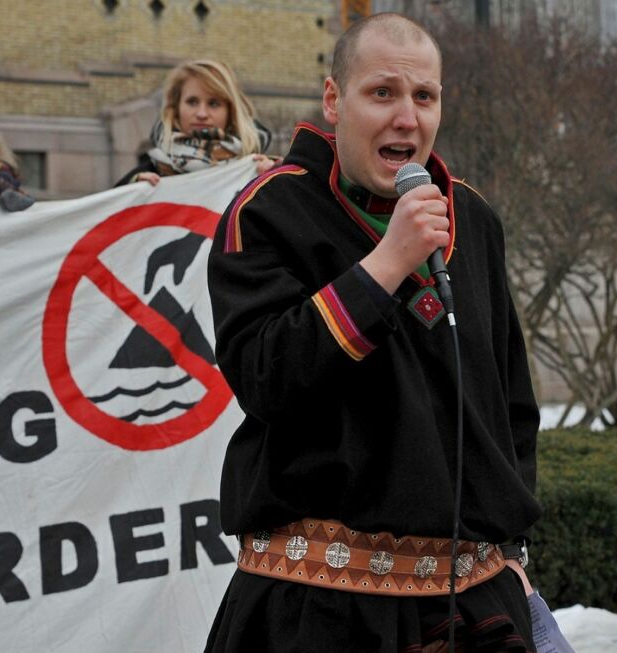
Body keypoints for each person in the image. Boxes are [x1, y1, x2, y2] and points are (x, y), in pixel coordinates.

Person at [205, 13, 541, 653]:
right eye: (382, 92)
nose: (406, 117)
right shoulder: (270, 210)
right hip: (317, 613)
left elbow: (511, 404)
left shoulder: (471, 216)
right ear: (334, 100)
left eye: (424, 96)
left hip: (474, 608)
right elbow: (265, 378)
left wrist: (514, 550)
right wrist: (386, 266)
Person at [114, 59, 276, 187]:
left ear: (230, 112)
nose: (201, 114)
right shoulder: (153, 170)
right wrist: (134, 189)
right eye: (192, 102)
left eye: (213, 104)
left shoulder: (255, 167)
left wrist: (273, 176)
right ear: (176, 108)